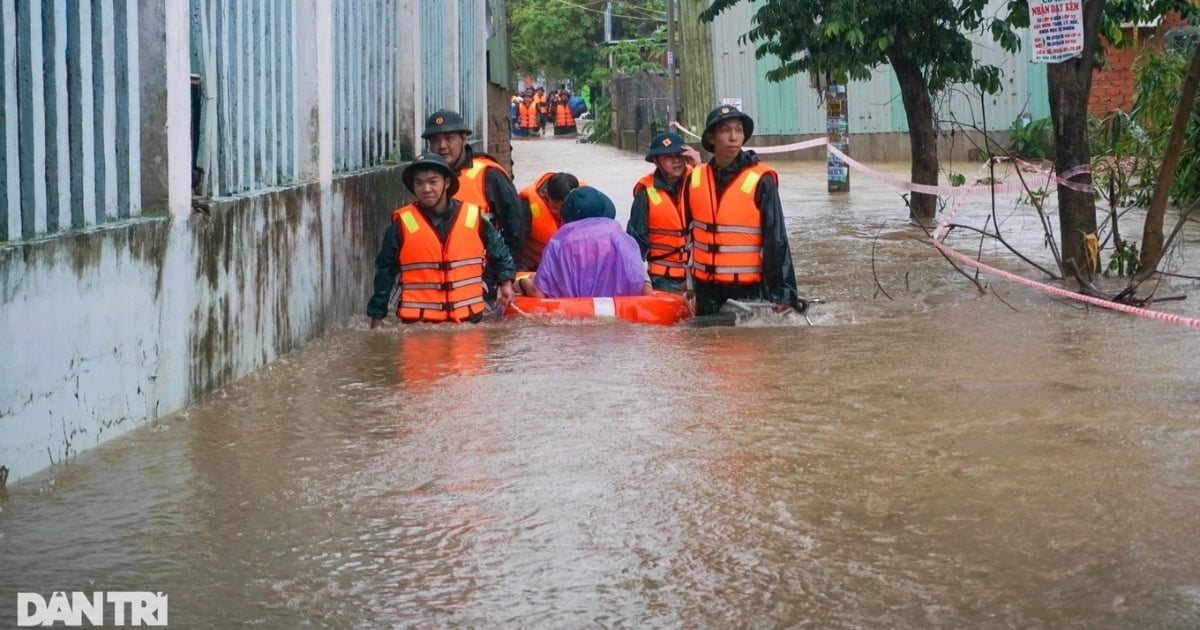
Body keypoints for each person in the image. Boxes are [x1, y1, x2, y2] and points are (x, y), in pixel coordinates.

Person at [367, 154, 515, 326]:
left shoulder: (472, 218)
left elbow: (501, 253)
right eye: (419, 183)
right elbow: (384, 272)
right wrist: (376, 317)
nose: (426, 189)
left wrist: (506, 283)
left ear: (446, 183)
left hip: (469, 323)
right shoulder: (402, 225)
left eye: (432, 181)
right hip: (419, 326)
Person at [684, 105, 801, 316]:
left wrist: (783, 291)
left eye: (738, 130)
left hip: (749, 289)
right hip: (706, 289)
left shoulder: (761, 179)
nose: (733, 137)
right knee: (704, 346)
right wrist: (686, 284)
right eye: (725, 130)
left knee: (745, 347)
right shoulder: (695, 178)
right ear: (711, 138)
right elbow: (686, 235)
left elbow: (777, 238)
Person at [422, 110, 529, 271]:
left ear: (464, 138)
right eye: (435, 140)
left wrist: (505, 274)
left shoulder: (490, 175)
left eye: (449, 138)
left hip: (484, 277)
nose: (442, 146)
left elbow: (516, 228)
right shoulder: (423, 180)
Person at [520, 186, 652, 299]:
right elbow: (645, 289)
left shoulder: (559, 242)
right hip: (618, 317)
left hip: (571, 319)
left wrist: (523, 284)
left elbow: (538, 293)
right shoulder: (621, 237)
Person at [627, 131, 700, 292]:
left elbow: (720, 200)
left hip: (700, 276)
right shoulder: (645, 193)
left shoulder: (699, 180)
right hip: (663, 280)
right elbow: (635, 244)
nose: (676, 161)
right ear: (656, 161)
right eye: (668, 157)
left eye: (679, 155)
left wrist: (700, 166)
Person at [517, 172, 580, 271]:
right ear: (546, 195)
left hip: (567, 266)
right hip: (534, 267)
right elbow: (515, 244)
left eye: (565, 208)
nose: (560, 214)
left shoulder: (584, 203)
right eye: (555, 207)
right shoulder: (526, 208)